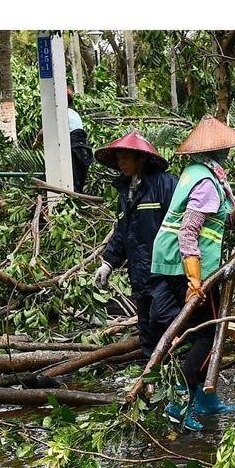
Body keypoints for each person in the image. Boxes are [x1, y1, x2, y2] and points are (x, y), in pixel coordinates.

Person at [147, 115, 235, 431]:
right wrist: (194, 279)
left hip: (174, 262)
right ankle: (180, 402)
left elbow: (219, 220)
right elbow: (188, 232)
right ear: (219, 151)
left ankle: (204, 400)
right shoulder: (206, 182)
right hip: (188, 265)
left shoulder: (196, 174)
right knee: (208, 335)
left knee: (203, 332)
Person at [92, 130, 178, 358]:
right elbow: (122, 231)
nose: (121, 163)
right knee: (146, 329)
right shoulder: (125, 191)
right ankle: (153, 380)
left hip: (165, 273)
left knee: (163, 318)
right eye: (118, 158)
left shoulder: (165, 185)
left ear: (141, 158)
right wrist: (108, 263)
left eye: (126, 157)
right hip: (139, 274)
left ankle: (181, 369)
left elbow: (181, 226)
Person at [67, 89, 94, 193]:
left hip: (73, 147)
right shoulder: (74, 113)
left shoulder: (60, 114)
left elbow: (43, 132)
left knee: (72, 181)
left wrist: (37, 143)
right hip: (82, 148)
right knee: (78, 183)